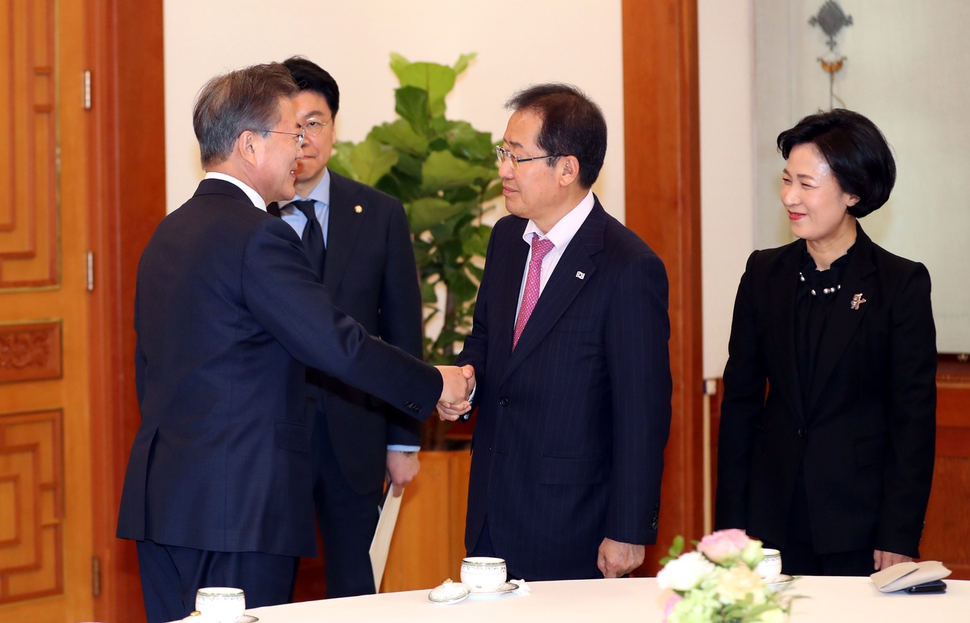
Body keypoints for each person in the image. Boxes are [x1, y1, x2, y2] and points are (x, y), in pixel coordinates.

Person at [116, 62, 472, 623]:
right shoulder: (259, 236)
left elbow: (149, 368)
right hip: (239, 506)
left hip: (165, 502)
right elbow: (338, 345)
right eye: (292, 134)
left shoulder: (169, 231)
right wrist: (436, 383)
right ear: (251, 146)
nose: (302, 147)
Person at [450, 83, 672, 581]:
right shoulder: (507, 238)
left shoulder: (627, 266)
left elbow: (643, 411)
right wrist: (466, 379)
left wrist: (629, 528)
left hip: (574, 524)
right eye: (502, 152)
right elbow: (487, 339)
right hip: (490, 510)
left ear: (567, 168)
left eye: (517, 156)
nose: (503, 169)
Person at [715, 108, 937, 576]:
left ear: (853, 192)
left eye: (807, 184)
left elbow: (912, 421)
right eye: (786, 180)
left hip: (859, 525)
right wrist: (730, 530)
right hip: (771, 521)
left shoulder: (899, 284)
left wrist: (897, 533)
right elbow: (740, 407)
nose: (790, 197)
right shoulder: (763, 274)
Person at [271, 56, 424, 598]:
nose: (305, 137)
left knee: (355, 588)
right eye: (293, 124)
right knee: (268, 588)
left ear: (335, 128)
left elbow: (403, 328)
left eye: (316, 122)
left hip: (354, 436)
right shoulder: (251, 216)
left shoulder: (379, 213)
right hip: (275, 436)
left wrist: (404, 441)